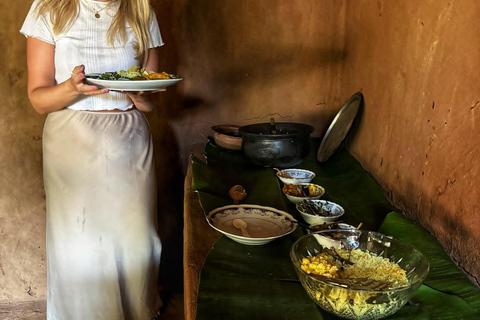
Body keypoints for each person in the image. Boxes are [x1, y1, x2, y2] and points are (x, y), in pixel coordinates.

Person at [20, 0, 165, 319]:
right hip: (71, 139)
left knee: (137, 241)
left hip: (129, 138)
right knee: (81, 244)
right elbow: (39, 99)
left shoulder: (141, 11)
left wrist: (143, 95)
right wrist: (72, 88)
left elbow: (150, 100)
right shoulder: (49, 8)